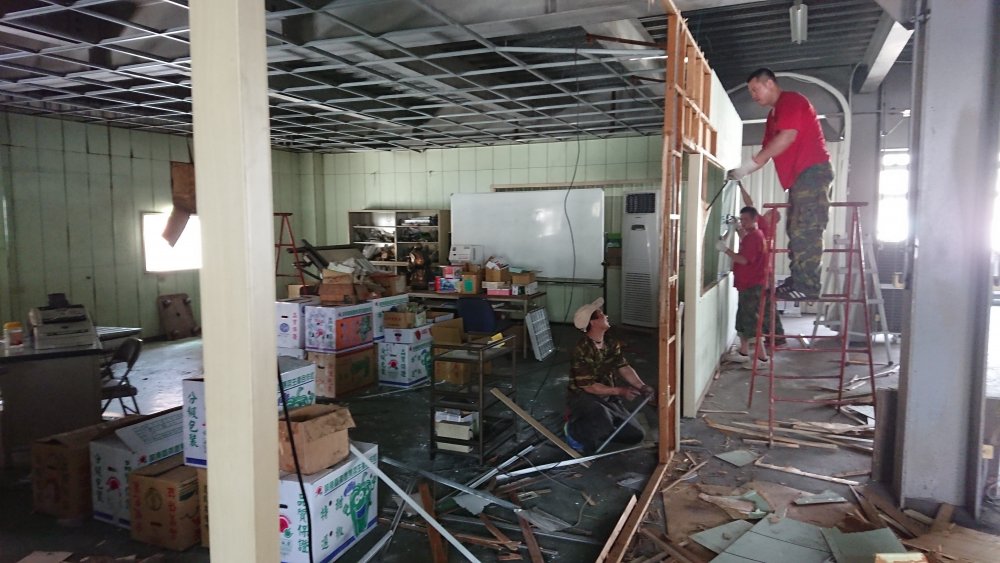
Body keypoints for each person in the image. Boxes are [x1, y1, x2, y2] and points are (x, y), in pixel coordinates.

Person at [728, 68, 833, 300]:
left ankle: (808, 286)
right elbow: (767, 151)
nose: (753, 95)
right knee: (794, 229)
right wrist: (742, 171)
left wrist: (747, 166)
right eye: (751, 91)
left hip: (812, 171)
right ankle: (798, 279)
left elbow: (787, 137)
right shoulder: (772, 117)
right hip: (798, 179)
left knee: (806, 227)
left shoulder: (791, 101)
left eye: (755, 89)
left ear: (769, 83)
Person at [565, 298, 653, 454]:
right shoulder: (582, 349)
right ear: (593, 322)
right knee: (602, 420)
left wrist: (642, 386)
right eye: (601, 315)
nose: (606, 316)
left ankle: (598, 426)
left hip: (607, 397)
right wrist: (621, 391)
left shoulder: (610, 343)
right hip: (583, 397)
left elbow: (623, 367)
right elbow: (589, 387)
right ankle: (573, 429)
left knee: (635, 435)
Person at [717, 206, 783, 362]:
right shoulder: (753, 235)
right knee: (742, 318)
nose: (743, 222)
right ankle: (744, 352)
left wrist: (725, 250)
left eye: (746, 219)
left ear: (755, 219)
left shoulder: (754, 237)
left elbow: (744, 260)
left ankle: (761, 359)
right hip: (747, 284)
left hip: (752, 285)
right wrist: (737, 229)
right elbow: (745, 241)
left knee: (751, 321)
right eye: (741, 220)